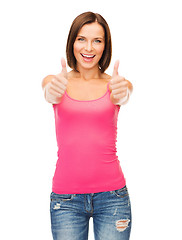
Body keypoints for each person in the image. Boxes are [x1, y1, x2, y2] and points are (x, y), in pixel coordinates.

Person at [42, 11, 133, 240]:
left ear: (105, 46)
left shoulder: (116, 84)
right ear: (72, 42)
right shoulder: (56, 82)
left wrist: (124, 92)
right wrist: (50, 90)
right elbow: (47, 91)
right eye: (82, 39)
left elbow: (126, 94)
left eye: (97, 40)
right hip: (65, 201)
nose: (89, 48)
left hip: (112, 198)